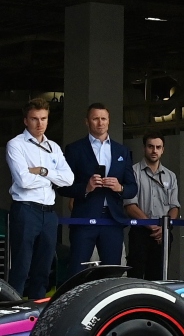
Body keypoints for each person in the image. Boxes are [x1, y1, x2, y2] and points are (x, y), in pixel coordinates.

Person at [5, 98, 73, 297]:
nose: (39, 124)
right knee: (21, 267)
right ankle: (12, 313)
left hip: (49, 213)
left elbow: (68, 179)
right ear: (26, 120)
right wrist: (53, 176)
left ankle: (36, 316)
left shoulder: (53, 147)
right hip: (26, 209)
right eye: (34, 119)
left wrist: (42, 171)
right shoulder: (16, 144)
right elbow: (24, 181)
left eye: (44, 118)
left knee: (44, 269)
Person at [61, 103, 138, 275]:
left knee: (112, 273)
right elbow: (62, 187)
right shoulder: (75, 149)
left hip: (113, 219)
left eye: (103, 119)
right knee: (77, 271)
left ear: (109, 121)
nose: (100, 123)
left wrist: (120, 188)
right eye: (95, 119)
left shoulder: (122, 150)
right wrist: (86, 188)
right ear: (87, 122)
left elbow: (133, 188)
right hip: (84, 218)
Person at [124, 131, 180, 280]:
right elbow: (130, 205)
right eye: (150, 146)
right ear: (144, 148)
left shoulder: (170, 176)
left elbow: (174, 206)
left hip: (164, 233)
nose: (154, 150)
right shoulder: (132, 172)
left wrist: (165, 228)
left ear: (163, 150)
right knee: (135, 276)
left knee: (159, 277)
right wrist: (153, 227)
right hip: (140, 232)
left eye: (158, 147)